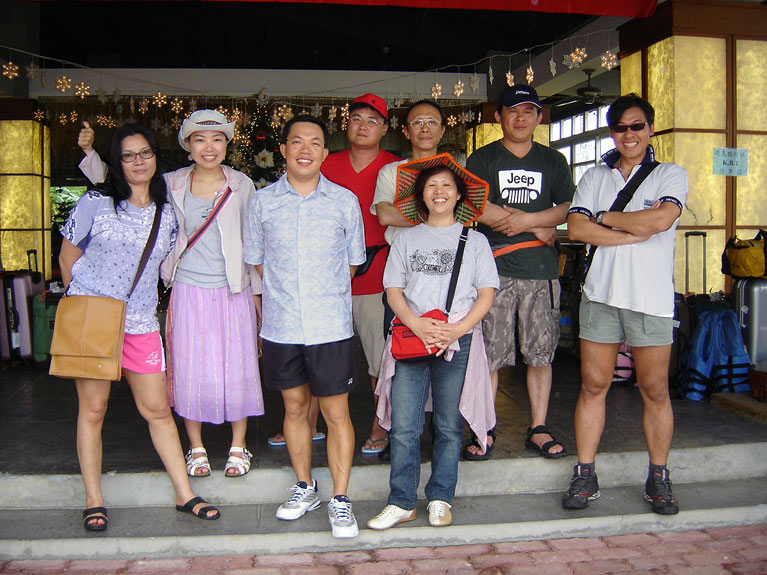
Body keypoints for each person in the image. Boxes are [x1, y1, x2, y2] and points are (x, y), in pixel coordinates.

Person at [78, 111, 264, 479]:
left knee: (239, 365)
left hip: (234, 288)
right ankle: (196, 446)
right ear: (188, 146)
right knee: (189, 365)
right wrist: (89, 155)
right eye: (200, 139)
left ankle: (238, 445)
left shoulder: (242, 184)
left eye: (217, 139)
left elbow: (253, 240)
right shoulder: (171, 182)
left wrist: (257, 293)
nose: (209, 147)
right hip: (188, 287)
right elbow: (123, 181)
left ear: (227, 144)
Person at [60, 124, 220, 531]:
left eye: (145, 153)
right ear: (117, 161)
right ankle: (93, 499)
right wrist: (84, 310)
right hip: (94, 322)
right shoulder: (95, 202)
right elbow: (67, 258)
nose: (138, 162)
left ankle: (185, 493)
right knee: (93, 410)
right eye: (128, 155)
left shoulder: (167, 214)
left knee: (158, 411)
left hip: (141, 325)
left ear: (155, 156)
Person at [563, 94, 687, 515]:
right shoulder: (595, 176)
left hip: (650, 300)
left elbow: (660, 220)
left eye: (637, 126)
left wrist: (607, 218)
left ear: (649, 128)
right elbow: (576, 228)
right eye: (620, 127)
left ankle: (659, 476)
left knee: (655, 390)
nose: (629, 134)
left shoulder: (670, 174)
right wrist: (632, 231)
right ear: (612, 133)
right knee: (592, 386)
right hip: (600, 296)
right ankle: (585, 473)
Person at [244, 115, 365, 538]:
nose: (305, 149)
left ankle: (341, 498)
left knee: (336, 412)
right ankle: (305, 487)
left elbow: (353, 262)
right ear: (283, 150)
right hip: (282, 326)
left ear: (325, 153)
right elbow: (258, 261)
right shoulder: (262, 202)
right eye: (297, 141)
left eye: (315, 142)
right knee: (294, 408)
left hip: (329, 325)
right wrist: (288, 294)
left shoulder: (344, 201)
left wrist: (320, 294)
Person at [366, 154, 498, 530]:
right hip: (412, 338)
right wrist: (417, 324)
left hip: (458, 341)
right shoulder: (406, 239)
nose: (439, 192)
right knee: (404, 425)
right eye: (431, 186)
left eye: (446, 186)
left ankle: (440, 497)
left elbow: (486, 294)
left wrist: (457, 329)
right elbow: (393, 290)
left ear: (458, 195)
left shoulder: (476, 241)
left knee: (448, 425)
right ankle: (402, 501)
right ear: (421, 195)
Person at [465, 84, 574, 460]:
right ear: (499, 116)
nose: (521, 117)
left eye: (529, 111)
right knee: (489, 354)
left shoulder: (553, 161)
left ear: (539, 117)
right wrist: (538, 225)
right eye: (513, 110)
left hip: (540, 270)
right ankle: (484, 426)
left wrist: (526, 221)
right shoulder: (483, 158)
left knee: (540, 353)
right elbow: (476, 205)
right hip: (492, 271)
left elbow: (567, 207)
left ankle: (538, 428)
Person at [321, 93, 401, 455]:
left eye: (373, 120)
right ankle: (306, 422)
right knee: (318, 353)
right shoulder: (326, 163)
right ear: (346, 124)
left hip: (378, 270)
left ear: (385, 128)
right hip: (328, 272)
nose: (363, 126)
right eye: (356, 118)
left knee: (379, 356)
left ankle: (380, 424)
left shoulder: (396, 167)